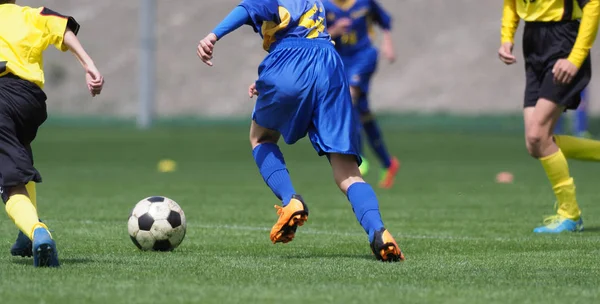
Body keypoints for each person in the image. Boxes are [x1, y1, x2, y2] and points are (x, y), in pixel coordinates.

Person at [197, 0, 404, 261]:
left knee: (260, 137)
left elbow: (249, 9)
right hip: (330, 64)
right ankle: (379, 231)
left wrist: (212, 36)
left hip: (289, 61)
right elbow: (302, 33)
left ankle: (290, 200)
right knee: (348, 173)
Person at [0, 0, 104, 266]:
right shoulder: (31, 15)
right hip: (29, 101)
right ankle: (25, 235)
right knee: (20, 154)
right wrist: (88, 65)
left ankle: (37, 232)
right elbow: (63, 28)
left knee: (10, 184)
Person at [499, 0, 600, 233]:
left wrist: (576, 58)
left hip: (564, 40)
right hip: (533, 42)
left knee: (537, 136)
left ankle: (570, 214)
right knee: (535, 144)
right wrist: (507, 39)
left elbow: (593, 5)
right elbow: (511, 4)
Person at [322, 0, 400, 188]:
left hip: (364, 56)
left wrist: (388, 43)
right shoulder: (324, 6)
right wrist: (334, 31)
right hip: (340, 60)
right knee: (362, 112)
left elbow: (384, 20)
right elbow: (316, 36)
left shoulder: (364, 2)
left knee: (349, 96)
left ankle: (357, 155)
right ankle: (388, 163)